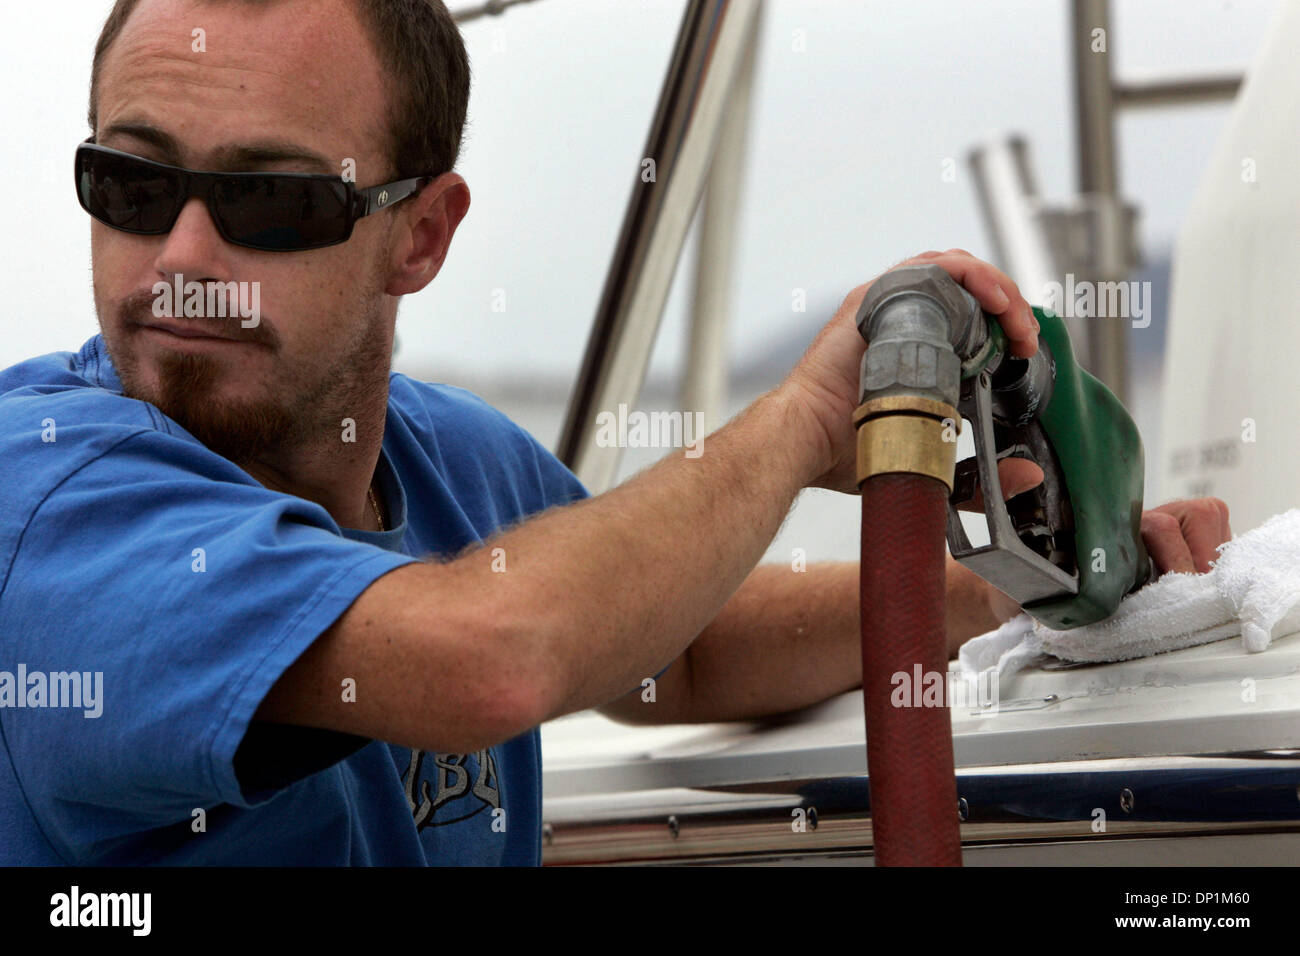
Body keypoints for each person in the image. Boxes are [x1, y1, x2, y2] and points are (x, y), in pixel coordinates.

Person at [0, 0, 1230, 865]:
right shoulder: (48, 502)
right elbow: (493, 656)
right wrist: (803, 420)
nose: (183, 261)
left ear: (421, 236)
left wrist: (1015, 583)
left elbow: (677, 651)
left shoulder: (446, 458)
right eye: (133, 184)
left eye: (269, 200)